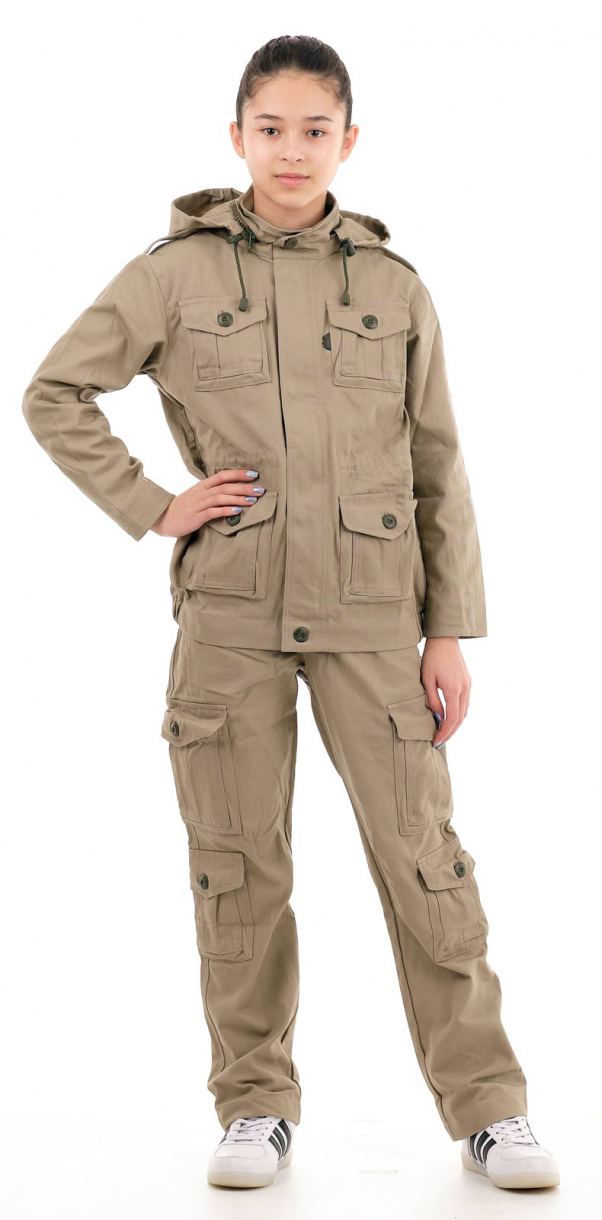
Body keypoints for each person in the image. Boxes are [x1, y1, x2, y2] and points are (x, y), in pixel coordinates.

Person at [22, 33, 560, 1194]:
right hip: (230, 618)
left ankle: (489, 1106)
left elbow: (437, 465)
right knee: (236, 869)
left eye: (315, 129)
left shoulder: (393, 287)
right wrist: (153, 504)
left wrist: (447, 631)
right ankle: (254, 1102)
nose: (291, 149)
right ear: (236, 136)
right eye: (269, 128)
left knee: (425, 862)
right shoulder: (173, 274)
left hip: (373, 619)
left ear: (348, 141)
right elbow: (54, 391)